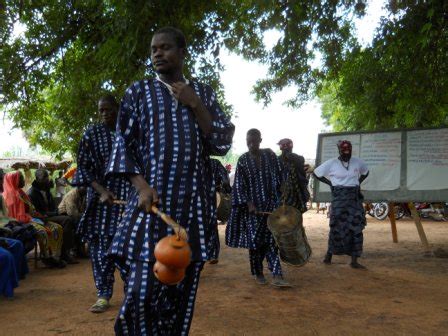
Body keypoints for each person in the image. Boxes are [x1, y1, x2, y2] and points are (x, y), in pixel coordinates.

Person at [107, 27, 234, 335]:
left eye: (165, 47)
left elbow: (220, 143)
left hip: (191, 211)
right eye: (153, 49)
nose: (158, 53)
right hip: (151, 208)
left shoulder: (203, 93)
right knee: (140, 291)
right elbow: (123, 146)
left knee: (181, 292)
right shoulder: (138, 92)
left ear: (182, 52)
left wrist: (195, 104)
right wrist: (141, 186)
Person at [72, 95, 131, 313]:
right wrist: (102, 191)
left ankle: (131, 293)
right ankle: (103, 295)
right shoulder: (91, 135)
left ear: (118, 108)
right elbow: (84, 169)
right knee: (99, 250)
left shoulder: (129, 132)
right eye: (101, 110)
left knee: (127, 247)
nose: (105, 113)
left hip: (126, 200)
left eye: (109, 109)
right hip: (100, 202)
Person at [225, 129, 289, 287]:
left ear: (260, 140)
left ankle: (277, 274)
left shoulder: (270, 155)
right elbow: (239, 186)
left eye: (254, 141)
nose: (251, 145)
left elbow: (282, 175)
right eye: (248, 142)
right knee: (255, 242)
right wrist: (248, 203)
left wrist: (283, 190)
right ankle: (258, 272)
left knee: (272, 240)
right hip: (254, 210)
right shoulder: (243, 160)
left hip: (271, 205)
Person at [313, 140, 369, 269]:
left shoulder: (357, 161)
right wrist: (331, 183)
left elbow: (366, 172)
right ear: (339, 150)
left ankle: (354, 260)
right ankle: (329, 256)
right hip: (339, 198)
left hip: (354, 198)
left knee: (356, 227)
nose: (347, 154)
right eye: (344, 152)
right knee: (336, 226)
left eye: (349, 152)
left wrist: (358, 182)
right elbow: (316, 173)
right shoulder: (331, 163)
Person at [3, 171, 65, 268]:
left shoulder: (21, 192)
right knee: (43, 231)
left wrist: (39, 216)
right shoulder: (11, 196)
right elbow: (18, 217)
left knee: (57, 227)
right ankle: (47, 258)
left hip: (31, 218)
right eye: (21, 178)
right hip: (21, 222)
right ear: (14, 180)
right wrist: (34, 217)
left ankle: (55, 255)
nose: (23, 180)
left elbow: (31, 210)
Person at [27, 169, 78, 264]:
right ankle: (64, 253)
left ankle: (68, 251)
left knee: (69, 219)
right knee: (67, 220)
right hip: (40, 218)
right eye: (44, 178)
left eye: (47, 177)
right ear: (37, 179)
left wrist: (56, 212)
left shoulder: (46, 190)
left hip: (49, 215)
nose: (47, 179)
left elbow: (53, 207)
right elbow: (37, 212)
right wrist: (54, 213)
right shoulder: (32, 193)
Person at [207, 158, 231, 264]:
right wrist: (226, 189)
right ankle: (213, 254)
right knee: (212, 225)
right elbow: (225, 180)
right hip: (212, 196)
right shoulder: (215, 163)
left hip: (192, 198)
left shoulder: (190, 160)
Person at [277, 138, 309, 213]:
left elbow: (302, 173)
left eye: (287, 148)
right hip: (281, 194)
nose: (285, 150)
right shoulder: (277, 160)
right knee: (282, 215)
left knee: (295, 216)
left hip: (297, 193)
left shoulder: (299, 158)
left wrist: (291, 157)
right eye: (283, 148)